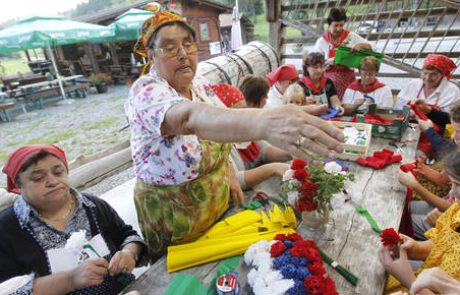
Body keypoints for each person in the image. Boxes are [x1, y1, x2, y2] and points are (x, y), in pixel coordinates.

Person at [125, 11, 344, 261]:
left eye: (188, 44)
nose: (183, 53)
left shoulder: (199, 86)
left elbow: (220, 127)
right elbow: (188, 119)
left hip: (219, 212)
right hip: (177, 223)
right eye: (169, 47)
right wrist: (267, 121)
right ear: (151, 55)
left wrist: (227, 167)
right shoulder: (146, 92)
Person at [0, 144, 146, 294]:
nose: (52, 181)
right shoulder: (6, 229)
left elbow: (128, 236)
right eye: (38, 178)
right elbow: (8, 290)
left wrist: (129, 253)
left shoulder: (92, 206)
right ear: (18, 184)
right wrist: (70, 280)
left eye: (58, 172)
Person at [380, 149, 460, 294]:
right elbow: (444, 243)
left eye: (458, 185)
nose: (451, 193)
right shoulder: (457, 211)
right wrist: (416, 248)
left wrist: (409, 280)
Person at [212, 83, 291, 190]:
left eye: (244, 109)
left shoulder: (247, 131)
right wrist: (273, 168)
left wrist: (294, 151)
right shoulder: (219, 145)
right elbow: (235, 181)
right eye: (236, 113)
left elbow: (265, 151)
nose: (243, 116)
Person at [313, 7, 372, 99]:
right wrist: (328, 62)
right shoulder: (322, 42)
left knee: (350, 104)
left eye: (341, 25)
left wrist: (361, 45)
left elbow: (371, 47)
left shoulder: (351, 37)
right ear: (329, 24)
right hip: (329, 83)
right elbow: (314, 63)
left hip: (349, 79)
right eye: (335, 25)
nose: (338, 28)